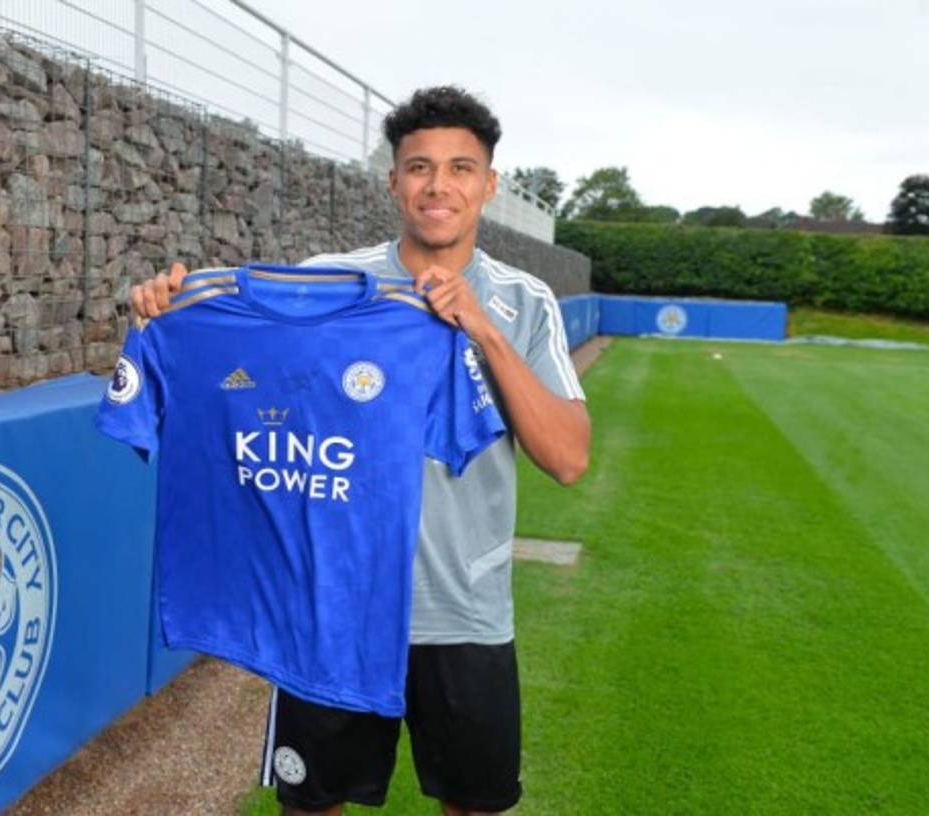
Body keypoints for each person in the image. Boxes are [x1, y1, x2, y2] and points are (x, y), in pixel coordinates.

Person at [129, 86, 591, 816]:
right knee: (311, 805)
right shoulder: (327, 280)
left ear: (489, 185)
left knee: (477, 805)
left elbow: (567, 458)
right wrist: (179, 306)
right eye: (419, 167)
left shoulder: (522, 301)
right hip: (329, 605)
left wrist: (482, 331)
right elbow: (244, 354)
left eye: (461, 168)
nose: (439, 186)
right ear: (393, 181)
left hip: (460, 613)